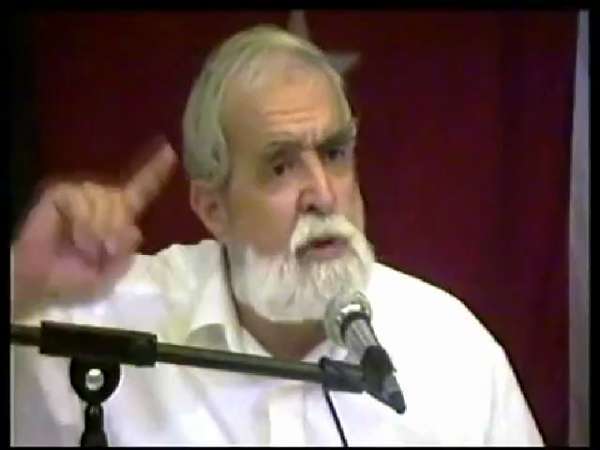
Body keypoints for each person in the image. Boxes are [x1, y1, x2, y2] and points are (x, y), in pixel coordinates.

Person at [11, 25, 544, 446]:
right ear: (213, 209)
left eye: (334, 154)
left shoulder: (452, 354)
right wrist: (21, 282)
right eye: (281, 166)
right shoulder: (107, 327)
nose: (322, 195)